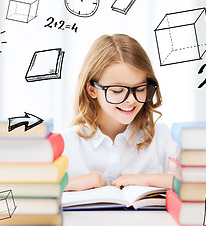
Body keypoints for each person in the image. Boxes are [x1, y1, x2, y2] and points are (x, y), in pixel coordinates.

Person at [61, 34, 178, 191]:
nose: (130, 100)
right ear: (92, 90)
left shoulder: (162, 138)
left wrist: (147, 180)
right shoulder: (66, 144)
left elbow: (198, 182)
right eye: (117, 90)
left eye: (140, 89)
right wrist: (70, 184)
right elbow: (25, 190)